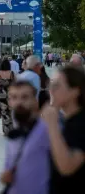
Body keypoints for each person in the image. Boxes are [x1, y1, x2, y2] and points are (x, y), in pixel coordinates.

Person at [0, 81, 50, 194]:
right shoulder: (14, 133)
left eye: (25, 97)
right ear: (9, 102)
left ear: (35, 101)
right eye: (14, 97)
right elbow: (9, 167)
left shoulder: (47, 130)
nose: (19, 102)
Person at [42, 66, 85, 194]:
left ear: (75, 91)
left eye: (56, 86)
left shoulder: (81, 123)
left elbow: (67, 166)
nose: (51, 90)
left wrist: (52, 125)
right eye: (50, 85)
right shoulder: (68, 120)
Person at [0, 59, 15, 135]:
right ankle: (11, 129)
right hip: (11, 95)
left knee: (4, 113)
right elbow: (15, 84)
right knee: (11, 112)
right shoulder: (12, 73)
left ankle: (6, 131)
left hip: (2, 95)